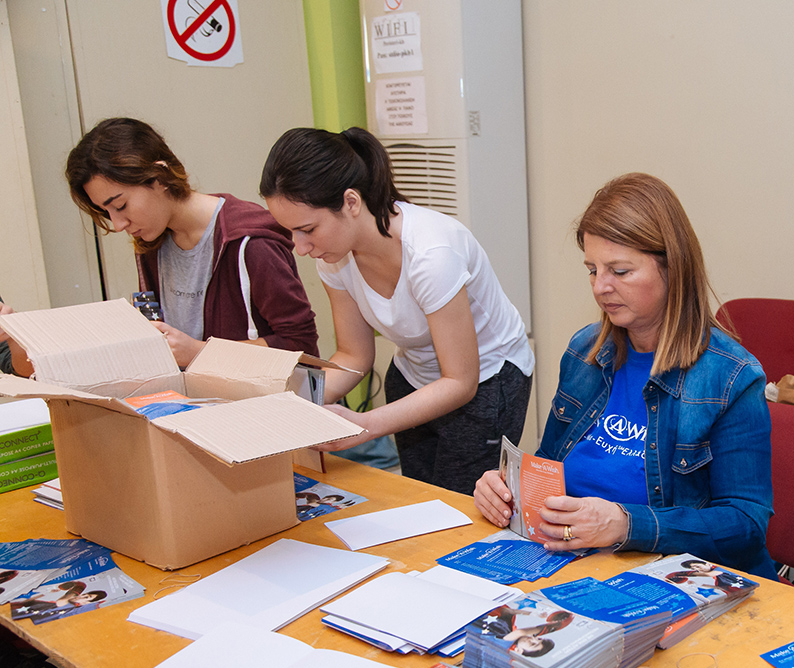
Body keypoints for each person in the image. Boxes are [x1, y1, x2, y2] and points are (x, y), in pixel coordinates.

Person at [473, 174, 775, 580]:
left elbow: (745, 524)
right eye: (592, 270)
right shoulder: (585, 352)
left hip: (669, 576)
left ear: (672, 268)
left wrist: (626, 525)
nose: (600, 287)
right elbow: (549, 467)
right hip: (571, 563)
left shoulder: (730, 378)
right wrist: (506, 490)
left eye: (619, 271)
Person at [259, 127, 534, 494]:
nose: (300, 247)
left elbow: (460, 381)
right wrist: (292, 403)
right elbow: (354, 355)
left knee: (462, 506)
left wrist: (364, 425)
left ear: (351, 203)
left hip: (487, 377)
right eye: (291, 232)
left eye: (307, 229)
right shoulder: (333, 256)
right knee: (420, 498)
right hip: (413, 374)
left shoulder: (432, 254)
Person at [65, 118, 318, 367]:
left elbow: (302, 347)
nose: (119, 224)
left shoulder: (251, 243)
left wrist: (200, 352)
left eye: (121, 205)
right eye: (106, 212)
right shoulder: (150, 242)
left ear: (160, 177)